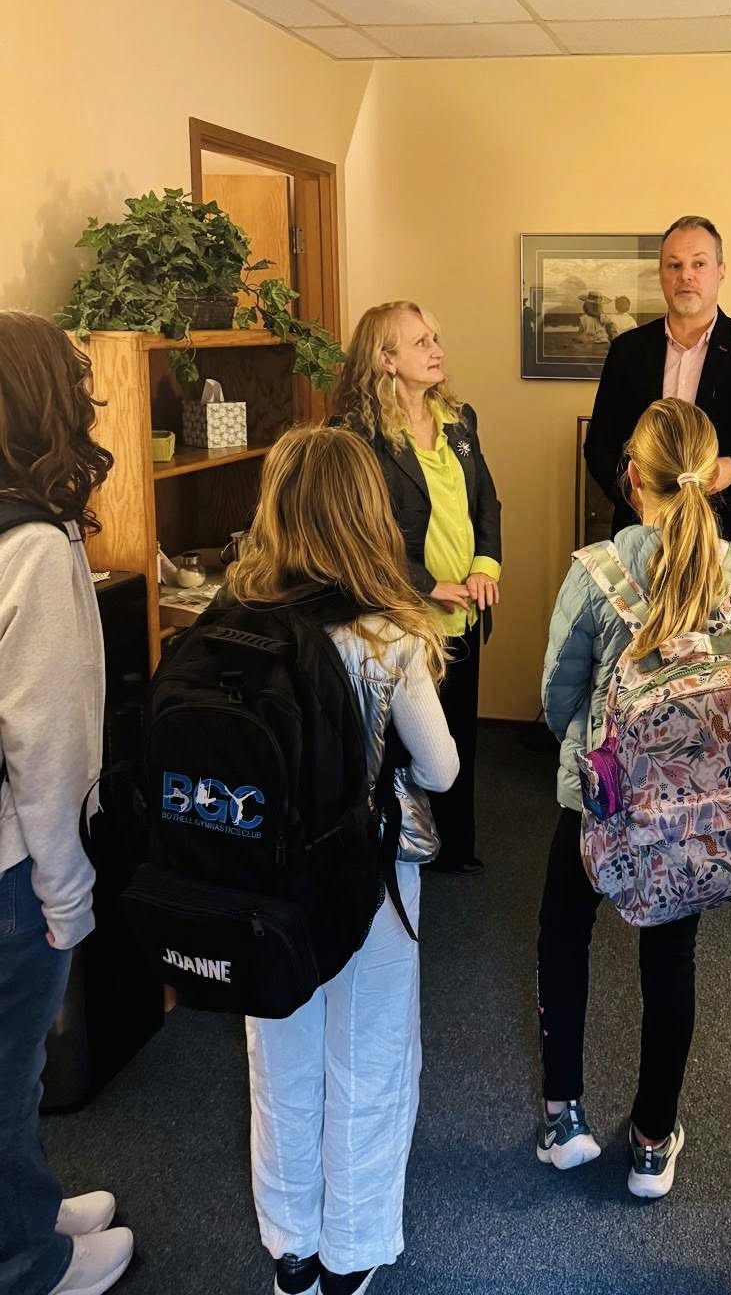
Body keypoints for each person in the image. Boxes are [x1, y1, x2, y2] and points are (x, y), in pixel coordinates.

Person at [226, 425, 458, 1295]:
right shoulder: (386, 636)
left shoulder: (234, 622)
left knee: (280, 1050)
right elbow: (440, 769)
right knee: (369, 1050)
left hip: (262, 877)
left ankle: (289, 1244)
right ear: (367, 516)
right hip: (370, 877)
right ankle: (350, 1251)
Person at [537, 398, 731, 1198]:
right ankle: (650, 1140)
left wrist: (590, 742)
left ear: (632, 478)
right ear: (711, 478)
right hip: (690, 812)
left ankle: (564, 1120)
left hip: (596, 800)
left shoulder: (596, 573)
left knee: (564, 934)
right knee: (670, 957)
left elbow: (556, 697)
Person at [0, 312, 132, 1295]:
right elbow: (46, 748)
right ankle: (29, 1263)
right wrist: (67, 897)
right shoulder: (35, 548)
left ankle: (30, 1208)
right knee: (10, 1075)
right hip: (12, 866)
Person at [332, 302, 501, 874]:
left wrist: (486, 567)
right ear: (386, 360)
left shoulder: (459, 420)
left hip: (464, 611)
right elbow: (361, 532)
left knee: (457, 736)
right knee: (406, 745)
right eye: (421, 342)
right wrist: (429, 586)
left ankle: (454, 848)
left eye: (435, 338)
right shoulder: (356, 437)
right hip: (404, 615)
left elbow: (486, 503)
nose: (437, 350)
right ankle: (403, 847)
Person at [585, 215, 731, 554]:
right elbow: (599, 445)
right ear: (661, 274)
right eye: (674, 265)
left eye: (698, 264)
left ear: (721, 271)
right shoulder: (627, 351)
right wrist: (632, 494)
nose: (686, 275)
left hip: (723, 542)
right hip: (639, 537)